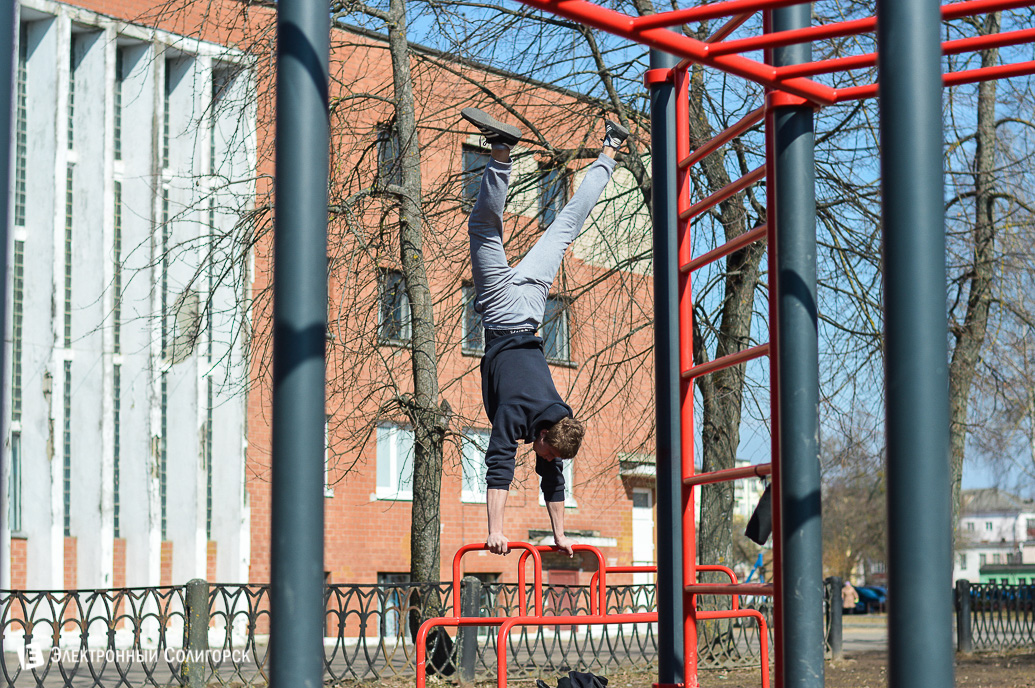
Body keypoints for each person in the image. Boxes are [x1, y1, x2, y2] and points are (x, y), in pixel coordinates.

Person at [460, 106, 628, 557]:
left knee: (567, 224)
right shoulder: (516, 414)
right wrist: (494, 530)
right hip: (500, 311)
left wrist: (558, 534)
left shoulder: (561, 416)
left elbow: (552, 477)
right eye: (545, 454)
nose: (544, 461)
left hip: (532, 306)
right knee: (483, 228)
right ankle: (500, 153)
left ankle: (611, 147)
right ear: (543, 438)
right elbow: (498, 468)